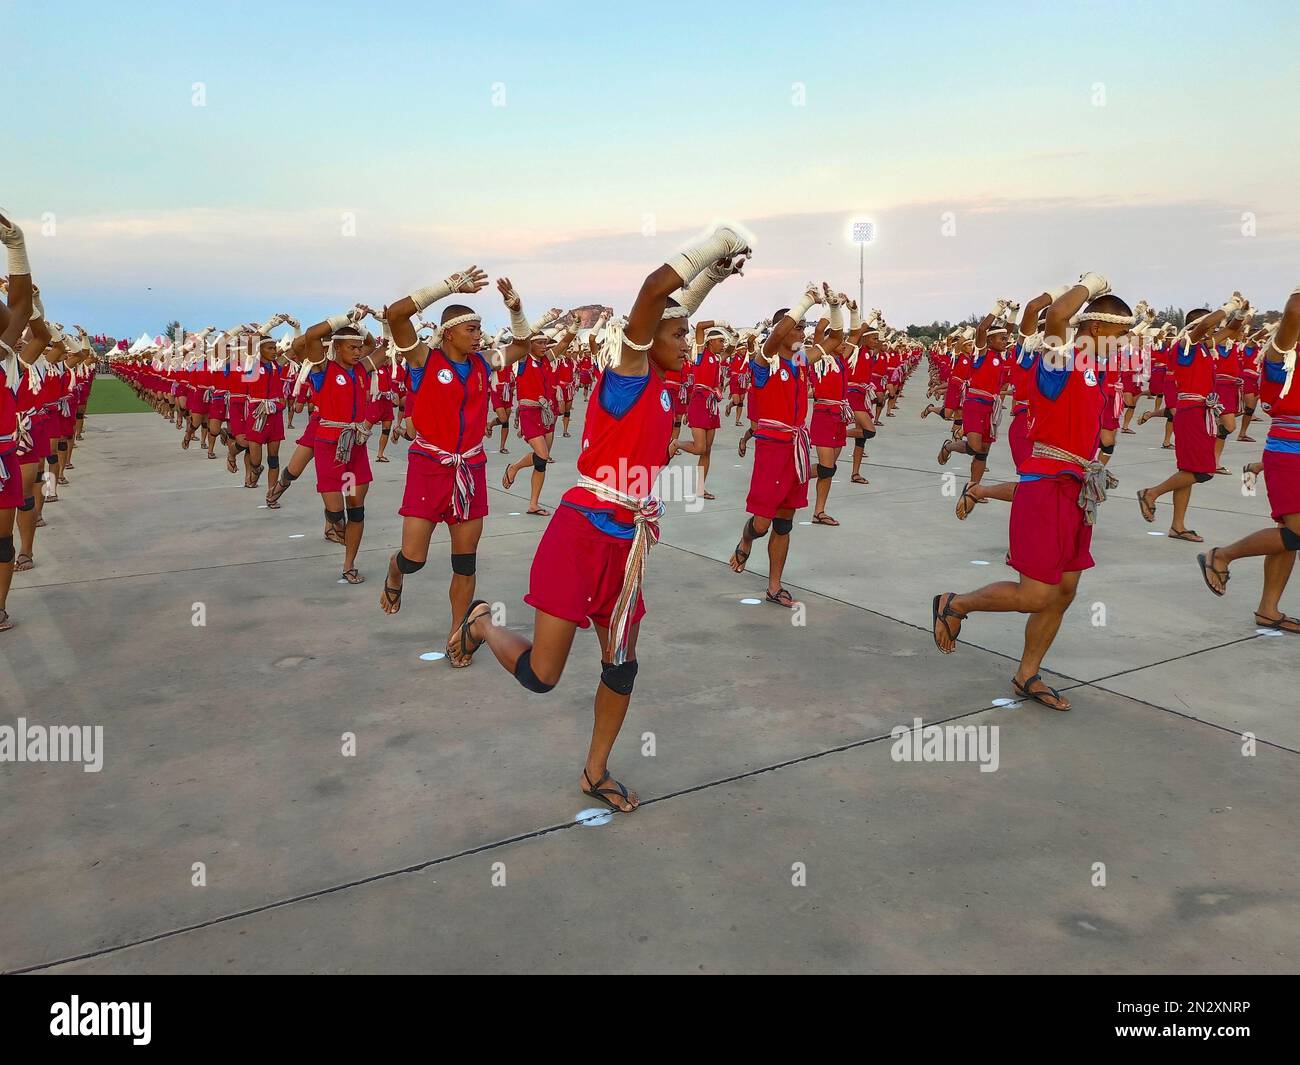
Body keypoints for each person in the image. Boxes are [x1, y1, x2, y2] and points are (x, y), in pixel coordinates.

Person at [456, 224, 750, 813]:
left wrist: (711, 281)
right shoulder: (626, 377)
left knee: (623, 665)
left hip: (628, 545)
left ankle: (595, 771)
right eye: (679, 336)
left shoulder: (667, 385)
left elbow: (671, 310)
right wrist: (712, 247)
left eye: (689, 334)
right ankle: (484, 622)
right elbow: (652, 293)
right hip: (580, 535)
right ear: (641, 341)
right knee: (544, 677)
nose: (689, 343)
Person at [931, 273, 1128, 711]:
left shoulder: (1094, 370)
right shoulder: (1062, 362)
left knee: (1063, 592)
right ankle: (955, 603)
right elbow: (1054, 313)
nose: (1125, 344)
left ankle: (1027, 674)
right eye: (1119, 334)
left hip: (1077, 490)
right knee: (1036, 594)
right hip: (1046, 488)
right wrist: (1089, 285)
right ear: (1095, 328)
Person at [378, 266, 531, 666]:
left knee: (465, 562)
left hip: (471, 470)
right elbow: (396, 315)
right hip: (430, 467)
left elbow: (523, 347)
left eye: (480, 328)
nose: (479, 335)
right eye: (472, 329)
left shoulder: (483, 364)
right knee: (415, 558)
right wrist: (447, 288)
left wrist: (516, 310)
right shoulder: (422, 360)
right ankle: (395, 573)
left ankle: (457, 635)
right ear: (449, 333)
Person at [1196, 287, 1300, 632]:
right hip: (1290, 455)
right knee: (1297, 533)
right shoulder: (1280, 356)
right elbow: (1295, 310)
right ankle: (1221, 555)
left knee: (1291, 536)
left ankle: (1268, 609)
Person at [728, 280, 818, 607]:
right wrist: (805, 301)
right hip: (772, 449)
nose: (802, 333)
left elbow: (834, 341)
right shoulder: (764, 364)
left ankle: (774, 586)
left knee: (783, 523)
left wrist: (837, 309)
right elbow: (778, 335)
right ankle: (746, 539)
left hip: (795, 448)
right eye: (798, 328)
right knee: (763, 525)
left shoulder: (800, 362)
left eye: (804, 328)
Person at [1137, 294, 1250, 542]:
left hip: (1201, 412)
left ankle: (1177, 526)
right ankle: (1151, 493)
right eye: (1210, 327)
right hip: (1191, 412)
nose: (1214, 332)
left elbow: (1231, 329)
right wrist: (1228, 306)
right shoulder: (1184, 347)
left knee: (1187, 470)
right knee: (1204, 471)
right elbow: (1203, 327)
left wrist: (1241, 314)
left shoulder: (1203, 347)